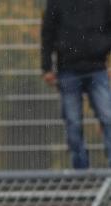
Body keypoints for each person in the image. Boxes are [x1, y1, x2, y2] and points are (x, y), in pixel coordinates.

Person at [41, 0, 111, 169]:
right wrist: (46, 67)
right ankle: (81, 172)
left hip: (98, 68)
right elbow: (48, 32)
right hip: (68, 70)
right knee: (73, 123)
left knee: (108, 118)